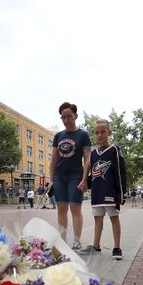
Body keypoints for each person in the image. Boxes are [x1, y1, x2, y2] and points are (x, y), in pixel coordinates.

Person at [78, 119, 127, 260]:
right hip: (97, 192)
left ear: (109, 132)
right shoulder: (93, 153)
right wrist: (83, 181)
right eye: (97, 132)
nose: (99, 135)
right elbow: (88, 164)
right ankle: (96, 246)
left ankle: (117, 247)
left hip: (111, 192)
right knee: (97, 219)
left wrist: (121, 194)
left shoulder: (114, 150)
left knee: (114, 218)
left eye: (103, 132)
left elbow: (120, 172)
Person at [50, 101, 91, 250]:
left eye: (69, 116)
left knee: (75, 209)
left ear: (75, 116)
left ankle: (77, 241)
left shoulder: (83, 135)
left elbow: (87, 159)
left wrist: (84, 179)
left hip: (76, 176)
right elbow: (53, 159)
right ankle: (62, 242)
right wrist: (51, 179)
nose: (66, 120)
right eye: (63, 117)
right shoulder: (58, 136)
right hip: (59, 177)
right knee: (61, 209)